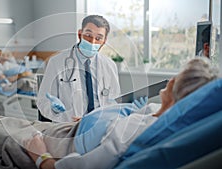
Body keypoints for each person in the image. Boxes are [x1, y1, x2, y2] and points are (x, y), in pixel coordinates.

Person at [24, 57, 218, 169]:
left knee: (2, 130)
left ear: (175, 84)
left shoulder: (135, 132)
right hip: (71, 126)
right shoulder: (153, 112)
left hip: (65, 143)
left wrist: (41, 157)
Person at [37, 15, 121, 122]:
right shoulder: (56, 62)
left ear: (104, 41)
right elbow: (43, 101)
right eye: (88, 35)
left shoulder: (110, 65)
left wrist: (128, 108)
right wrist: (54, 109)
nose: (92, 41)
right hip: (68, 127)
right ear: (80, 34)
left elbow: (114, 102)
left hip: (99, 126)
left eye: (98, 38)